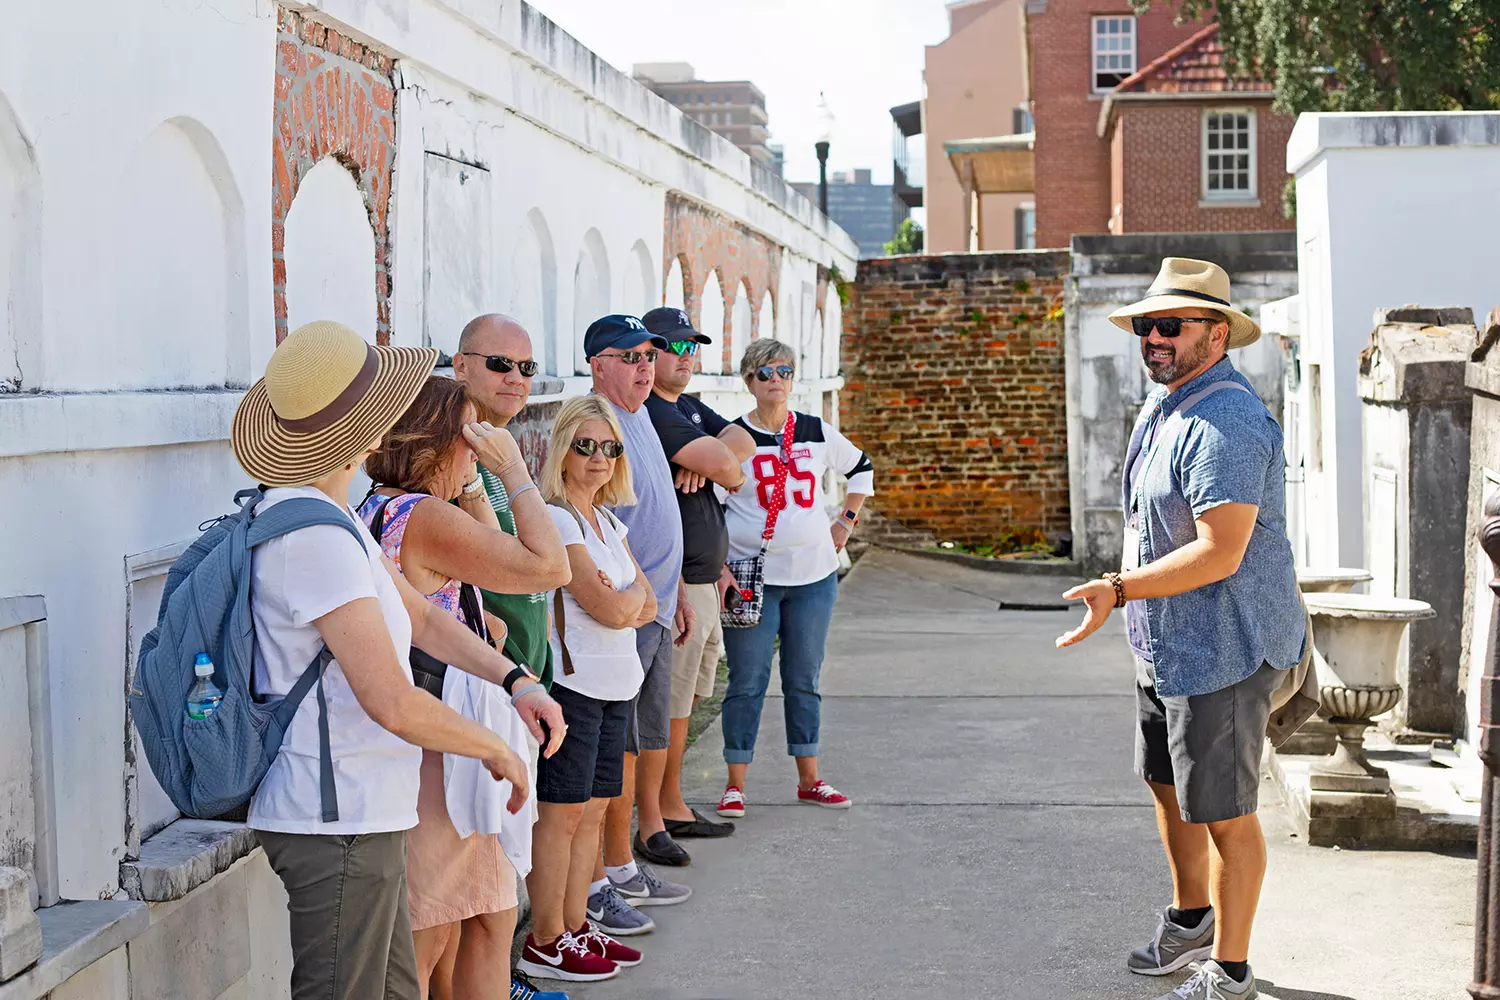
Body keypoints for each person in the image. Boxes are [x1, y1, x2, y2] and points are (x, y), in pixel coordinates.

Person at [233, 320, 531, 1000]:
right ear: (362, 429)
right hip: (336, 820)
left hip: (366, 813)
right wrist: (495, 748)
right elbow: (390, 700)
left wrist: (511, 679)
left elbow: (424, 618)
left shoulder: (334, 521)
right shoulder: (315, 537)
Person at [1055, 258, 1306, 1000]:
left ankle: (1230, 974)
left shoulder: (1225, 418)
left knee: (1226, 813)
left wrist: (1117, 589)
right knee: (1169, 787)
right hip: (1164, 643)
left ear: (1217, 333)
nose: (1153, 338)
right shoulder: (1162, 407)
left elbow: (1220, 550)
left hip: (1225, 647)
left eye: (1171, 325)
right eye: (1145, 326)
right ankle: (1192, 919)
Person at [357, 375, 570, 1000]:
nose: (478, 449)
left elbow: (487, 579)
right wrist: (515, 474)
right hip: (443, 745)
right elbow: (546, 567)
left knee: (472, 919)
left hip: (443, 733)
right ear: (438, 441)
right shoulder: (420, 515)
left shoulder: (383, 505)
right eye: (468, 439)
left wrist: (471, 479)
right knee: (438, 934)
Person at [451, 314, 575, 1000]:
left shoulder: (492, 449)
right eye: (500, 364)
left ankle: (504, 981)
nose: (516, 380)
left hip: (517, 681)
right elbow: (524, 569)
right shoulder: (457, 452)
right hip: (479, 688)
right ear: (460, 365)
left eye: (527, 369)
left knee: (498, 876)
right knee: (472, 889)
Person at [518, 396, 656, 984]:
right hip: (573, 688)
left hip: (618, 684)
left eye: (610, 448)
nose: (599, 458)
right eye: (586, 445)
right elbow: (604, 603)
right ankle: (545, 938)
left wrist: (621, 605)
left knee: (595, 811)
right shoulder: (559, 518)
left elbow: (645, 601)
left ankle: (575, 926)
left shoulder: (608, 521)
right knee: (562, 814)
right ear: (563, 450)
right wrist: (621, 604)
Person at [714, 337, 873, 819]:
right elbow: (708, 506)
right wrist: (718, 566)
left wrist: (845, 521)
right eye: (764, 373)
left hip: (814, 577)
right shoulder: (732, 439)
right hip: (750, 577)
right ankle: (734, 784)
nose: (776, 381)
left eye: (784, 371)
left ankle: (810, 779)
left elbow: (861, 470)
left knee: (803, 678)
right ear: (748, 381)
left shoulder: (815, 431)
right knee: (747, 679)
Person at [583, 314, 696, 916]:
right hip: (625, 614)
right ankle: (604, 879)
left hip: (654, 606)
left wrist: (673, 593)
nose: (644, 366)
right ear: (598, 364)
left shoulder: (642, 414)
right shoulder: (595, 426)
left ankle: (622, 868)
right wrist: (637, 603)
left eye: (648, 355)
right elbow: (591, 523)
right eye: (629, 357)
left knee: (636, 742)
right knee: (616, 751)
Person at [640, 307, 754, 841]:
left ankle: (672, 802)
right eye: (675, 347)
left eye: (693, 347)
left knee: (686, 700)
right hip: (679, 581)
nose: (688, 357)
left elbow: (744, 443)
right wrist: (712, 461)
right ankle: (657, 816)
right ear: (648, 352)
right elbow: (732, 470)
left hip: (707, 578)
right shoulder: (660, 416)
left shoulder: (686, 407)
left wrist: (704, 459)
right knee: (668, 703)